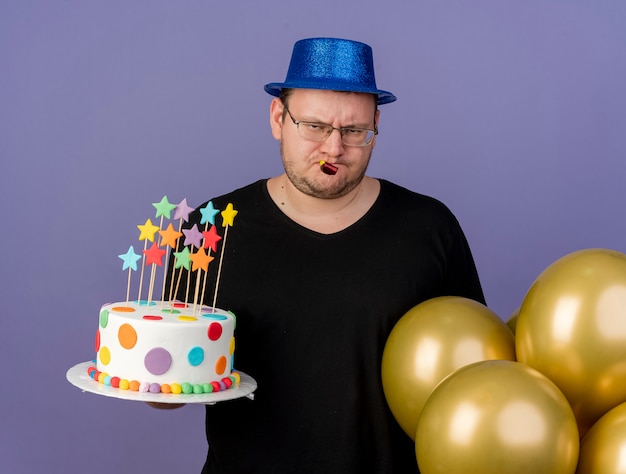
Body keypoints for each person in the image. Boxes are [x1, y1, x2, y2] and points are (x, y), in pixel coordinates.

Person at [166, 37, 485, 473]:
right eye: (314, 126)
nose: (334, 149)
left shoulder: (430, 227)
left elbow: (474, 378)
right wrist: (158, 384)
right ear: (279, 118)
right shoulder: (209, 229)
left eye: (354, 131)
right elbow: (167, 384)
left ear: (376, 124)